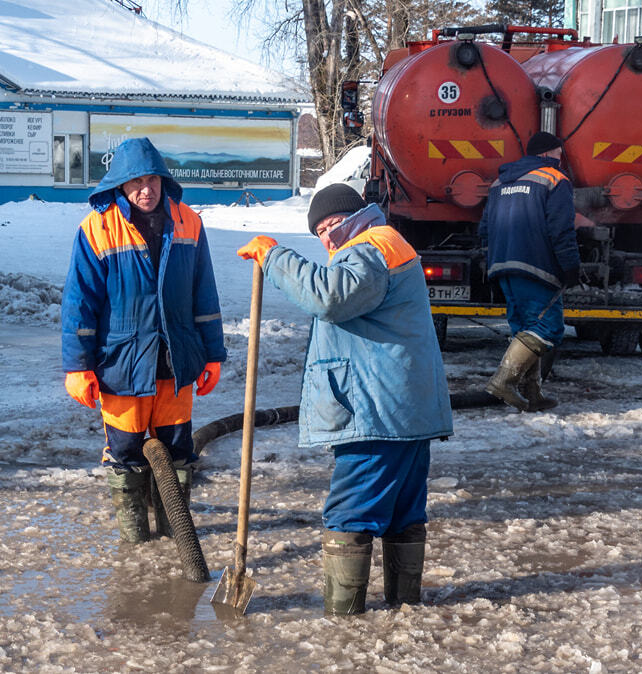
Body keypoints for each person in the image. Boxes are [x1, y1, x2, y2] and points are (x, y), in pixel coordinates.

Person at [236, 183, 453, 616]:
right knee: (402, 513)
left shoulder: (371, 247)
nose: (329, 236)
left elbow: (328, 297)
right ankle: (402, 610)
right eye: (320, 231)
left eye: (334, 224)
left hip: (378, 412)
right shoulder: (386, 245)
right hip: (406, 410)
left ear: (359, 216)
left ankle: (344, 622)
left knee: (350, 511)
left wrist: (274, 257)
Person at [61, 137, 226, 544]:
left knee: (177, 453)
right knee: (126, 453)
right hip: (122, 364)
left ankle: (176, 537)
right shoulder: (97, 229)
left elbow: (204, 294)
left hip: (177, 360)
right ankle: (135, 540)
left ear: (162, 179)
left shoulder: (189, 221)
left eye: (151, 179)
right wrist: (78, 366)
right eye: (135, 182)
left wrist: (213, 354)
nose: (145, 190)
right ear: (119, 184)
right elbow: (79, 302)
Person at [477, 131, 581, 412]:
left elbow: (484, 228)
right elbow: (561, 230)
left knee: (524, 328)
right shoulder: (554, 180)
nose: (561, 161)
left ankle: (532, 392)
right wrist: (570, 266)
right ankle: (503, 381)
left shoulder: (501, 181)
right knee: (548, 328)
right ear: (548, 154)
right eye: (559, 155)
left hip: (502, 265)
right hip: (538, 265)